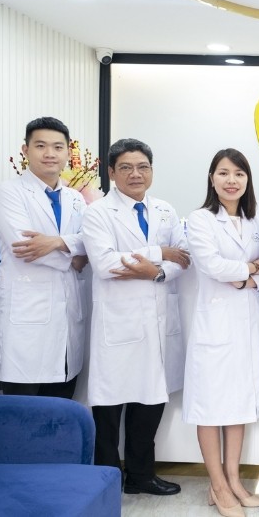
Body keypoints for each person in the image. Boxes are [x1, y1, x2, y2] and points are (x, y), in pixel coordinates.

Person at [82, 138, 190, 496]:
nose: (135, 174)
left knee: (150, 401)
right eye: (126, 167)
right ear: (112, 173)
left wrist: (156, 272)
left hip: (156, 321)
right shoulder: (98, 212)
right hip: (118, 323)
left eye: (143, 167)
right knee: (109, 407)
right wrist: (158, 252)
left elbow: (183, 258)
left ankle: (141, 476)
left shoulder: (165, 210)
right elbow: (104, 263)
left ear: (152, 171)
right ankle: (106, 481)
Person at [183, 148, 259, 517]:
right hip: (215, 326)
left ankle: (234, 481)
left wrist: (248, 277)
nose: (231, 180)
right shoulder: (200, 219)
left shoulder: (256, 222)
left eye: (238, 173)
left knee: (238, 405)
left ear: (247, 180)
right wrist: (250, 269)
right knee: (209, 407)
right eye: (223, 173)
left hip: (248, 325)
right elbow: (212, 265)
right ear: (212, 178)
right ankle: (218, 486)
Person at [0, 116, 88, 398]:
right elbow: (25, 247)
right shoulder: (10, 192)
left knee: (61, 409)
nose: (50, 153)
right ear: (26, 150)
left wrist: (57, 242)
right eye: (41, 146)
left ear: (67, 152)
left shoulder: (75, 198)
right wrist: (73, 256)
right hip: (26, 321)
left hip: (67, 322)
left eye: (58, 147)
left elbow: (90, 240)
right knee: (23, 412)